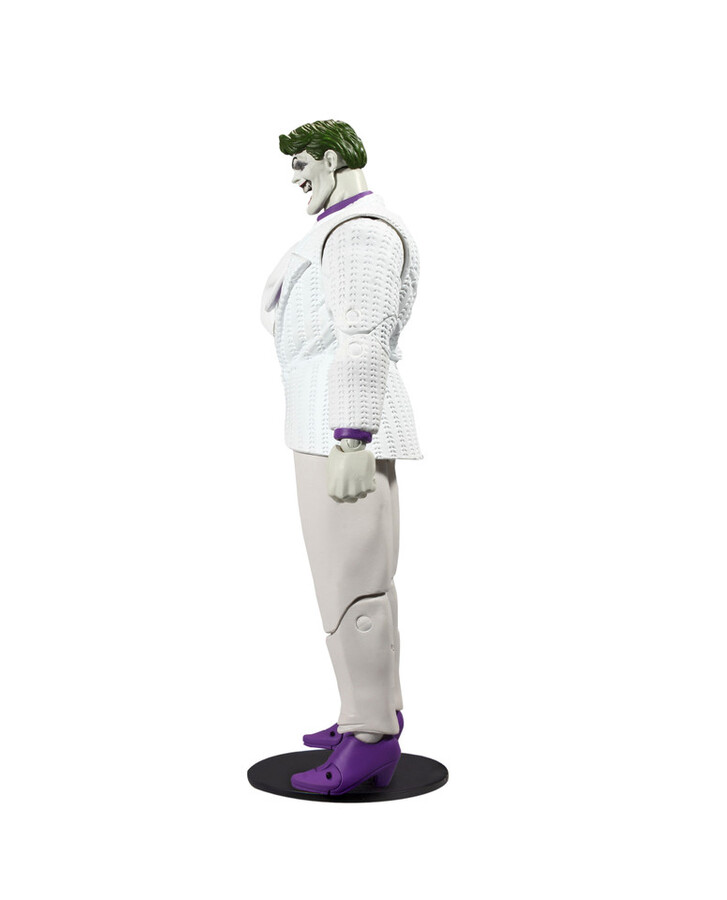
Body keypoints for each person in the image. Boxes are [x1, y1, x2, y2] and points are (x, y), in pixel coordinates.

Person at [260, 120, 421, 795]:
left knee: (355, 586)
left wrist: (353, 435)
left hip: (343, 432)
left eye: (302, 165)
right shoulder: (338, 226)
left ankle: (371, 738)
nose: (296, 177)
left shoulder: (361, 233)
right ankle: (368, 710)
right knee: (343, 580)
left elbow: (363, 334)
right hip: (321, 426)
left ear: (332, 159)